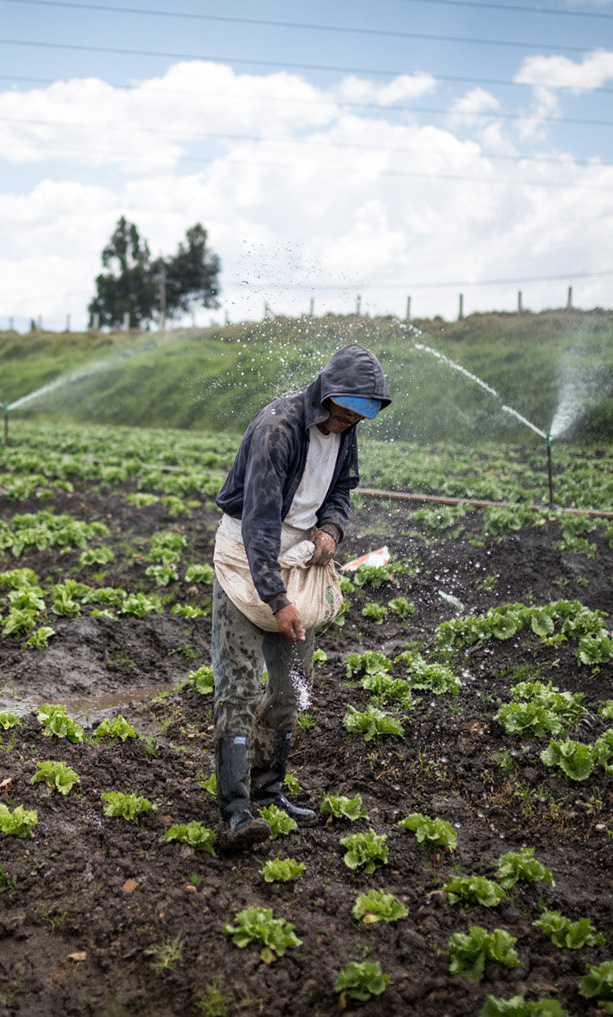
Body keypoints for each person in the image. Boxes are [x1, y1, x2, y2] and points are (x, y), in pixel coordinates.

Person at [209, 344, 391, 853]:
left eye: (361, 415)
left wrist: (331, 529)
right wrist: (277, 598)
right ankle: (236, 809)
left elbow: (341, 491)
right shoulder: (279, 428)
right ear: (328, 395)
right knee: (240, 686)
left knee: (290, 687)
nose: (350, 421)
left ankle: (270, 791)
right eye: (346, 410)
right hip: (248, 559)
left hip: (301, 556)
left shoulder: (345, 431)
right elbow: (259, 522)